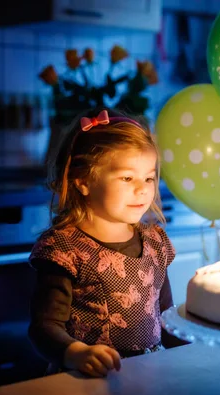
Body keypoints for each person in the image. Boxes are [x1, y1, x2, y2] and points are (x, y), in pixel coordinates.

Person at [28, 108, 187, 378]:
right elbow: (44, 327)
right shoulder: (65, 249)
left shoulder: (155, 243)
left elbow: (166, 320)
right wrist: (75, 353)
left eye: (149, 177)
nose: (143, 189)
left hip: (148, 379)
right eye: (127, 178)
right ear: (84, 181)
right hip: (86, 382)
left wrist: (193, 355)